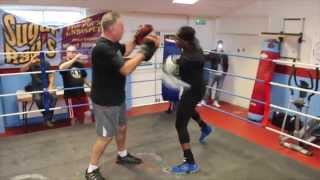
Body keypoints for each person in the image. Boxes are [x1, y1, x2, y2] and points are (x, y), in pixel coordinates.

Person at [85, 11, 160, 180]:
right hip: (105, 101)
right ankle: (91, 169)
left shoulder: (113, 44)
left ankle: (122, 154)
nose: (124, 29)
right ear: (112, 28)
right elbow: (126, 69)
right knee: (105, 137)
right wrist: (145, 50)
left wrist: (136, 40)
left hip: (117, 96)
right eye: (121, 26)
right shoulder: (102, 48)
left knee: (122, 128)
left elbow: (125, 49)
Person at [170, 26, 213, 174]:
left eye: (177, 38)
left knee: (180, 124)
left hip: (193, 91)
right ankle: (205, 127)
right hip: (195, 88)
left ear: (185, 41)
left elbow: (177, 69)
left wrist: (173, 65)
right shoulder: (193, 47)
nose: (175, 40)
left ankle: (190, 162)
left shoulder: (189, 58)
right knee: (188, 110)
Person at [20, 54, 57, 127]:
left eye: (38, 57)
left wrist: (50, 86)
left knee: (54, 98)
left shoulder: (46, 63)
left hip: (46, 85)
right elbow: (22, 69)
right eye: (35, 57)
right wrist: (30, 62)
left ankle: (47, 118)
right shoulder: (32, 64)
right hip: (36, 87)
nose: (36, 59)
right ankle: (48, 117)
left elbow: (51, 75)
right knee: (38, 99)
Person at [59, 45, 91, 125]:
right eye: (70, 52)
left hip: (81, 93)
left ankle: (85, 134)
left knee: (88, 114)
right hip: (70, 95)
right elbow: (61, 68)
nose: (72, 53)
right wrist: (75, 59)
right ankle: (73, 136)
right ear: (66, 53)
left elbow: (84, 78)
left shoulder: (79, 64)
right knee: (74, 118)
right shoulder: (63, 62)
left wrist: (92, 87)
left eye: (74, 52)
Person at [202, 41, 229, 107]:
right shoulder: (213, 52)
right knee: (208, 87)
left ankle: (216, 101)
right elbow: (207, 58)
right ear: (217, 45)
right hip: (213, 73)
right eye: (219, 45)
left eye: (221, 45)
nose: (220, 46)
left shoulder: (224, 54)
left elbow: (226, 64)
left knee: (218, 89)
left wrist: (225, 73)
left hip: (221, 74)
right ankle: (204, 101)